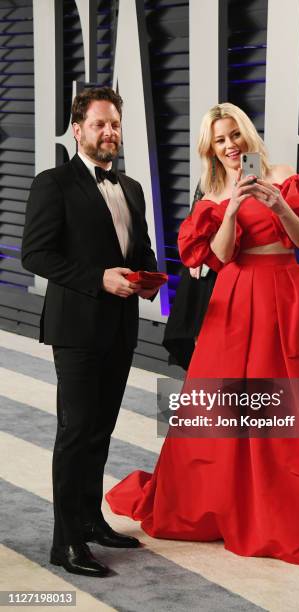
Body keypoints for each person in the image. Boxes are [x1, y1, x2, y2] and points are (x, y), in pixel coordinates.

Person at [106, 103, 299, 566]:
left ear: (247, 136)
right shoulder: (210, 195)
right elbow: (218, 257)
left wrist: (277, 201)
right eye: (219, 141)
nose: (230, 146)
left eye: (234, 136)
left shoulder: (284, 175)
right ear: (211, 149)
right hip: (237, 299)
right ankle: (232, 499)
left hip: (287, 293)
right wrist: (231, 211)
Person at [22, 87, 158, 577]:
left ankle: (90, 519)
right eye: (100, 123)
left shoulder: (133, 188)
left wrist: (148, 276)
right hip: (76, 328)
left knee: (100, 432)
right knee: (75, 433)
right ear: (78, 130)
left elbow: (138, 249)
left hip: (121, 327)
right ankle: (66, 543)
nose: (109, 132)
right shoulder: (52, 183)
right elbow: (35, 255)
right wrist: (98, 278)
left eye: (115, 124)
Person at [162, 183, 217, 370]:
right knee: (200, 340)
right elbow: (193, 221)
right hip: (204, 268)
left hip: (239, 268)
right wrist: (196, 253)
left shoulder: (259, 177)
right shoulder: (208, 178)